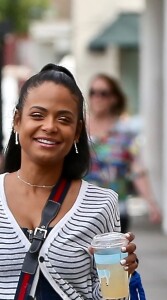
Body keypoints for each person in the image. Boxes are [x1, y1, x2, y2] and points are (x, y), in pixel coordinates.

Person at [1, 63, 138, 299]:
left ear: (77, 131)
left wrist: (121, 274)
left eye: (64, 119)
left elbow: (111, 296)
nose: (50, 126)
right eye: (37, 115)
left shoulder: (101, 204)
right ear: (17, 120)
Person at [85, 73, 162, 233]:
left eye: (103, 93)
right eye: (93, 93)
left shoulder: (126, 133)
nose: (97, 98)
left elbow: (136, 169)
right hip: (80, 212)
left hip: (116, 212)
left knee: (113, 258)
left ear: (114, 98)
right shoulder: (77, 130)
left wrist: (151, 203)